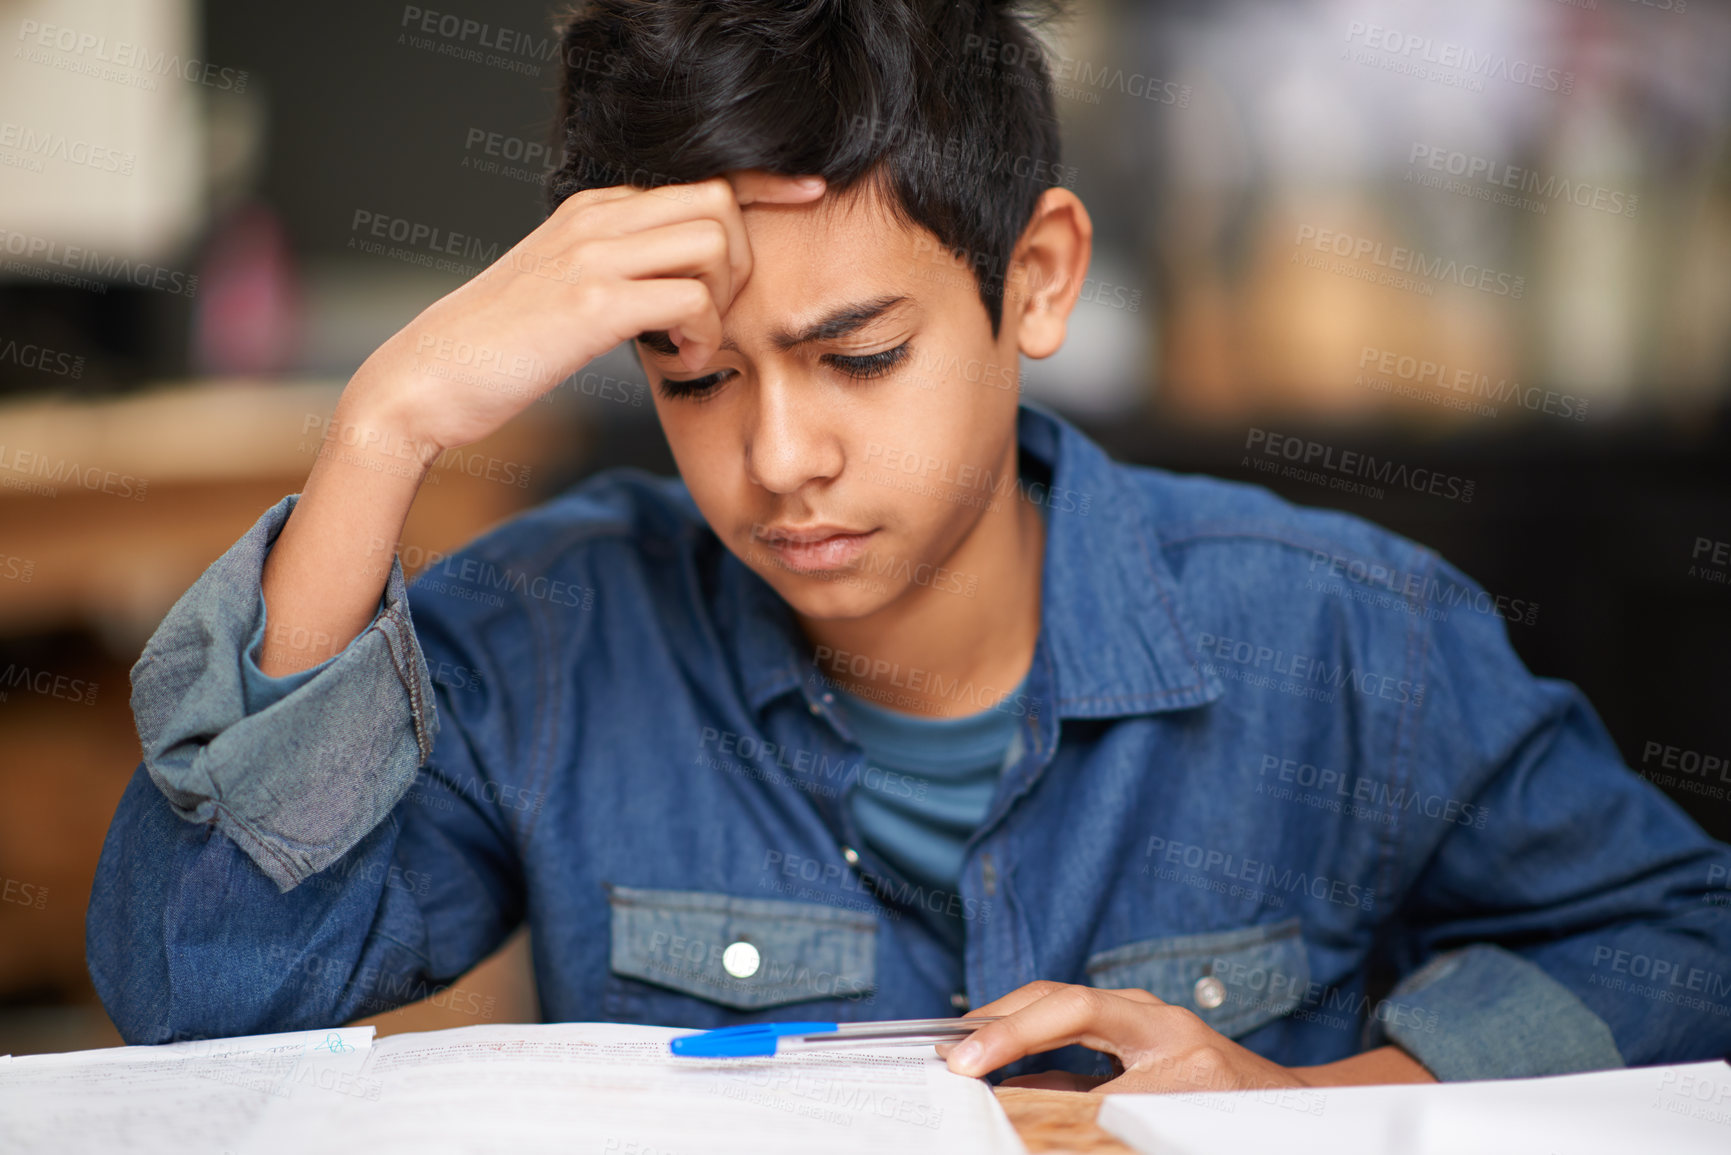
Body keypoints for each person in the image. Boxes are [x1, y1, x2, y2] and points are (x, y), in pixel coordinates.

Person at [88, 0, 1731, 1095]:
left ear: (1037, 280)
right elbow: (202, 1012)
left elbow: (1686, 938)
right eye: (695, 377)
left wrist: (1313, 1103)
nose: (780, 458)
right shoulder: (552, 634)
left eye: (859, 356)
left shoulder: (1340, 636)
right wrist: (382, 431)